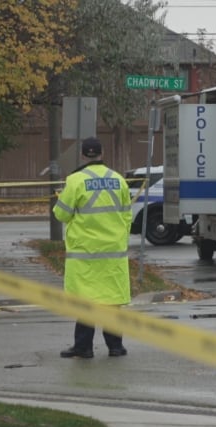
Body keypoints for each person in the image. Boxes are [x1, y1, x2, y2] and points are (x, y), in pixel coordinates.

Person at [53, 137, 132, 359]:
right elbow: (127, 215)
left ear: (82, 155)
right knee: (111, 302)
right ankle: (115, 347)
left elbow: (61, 214)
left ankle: (83, 347)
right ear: (102, 153)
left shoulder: (75, 181)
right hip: (113, 253)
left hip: (85, 253)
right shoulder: (118, 180)